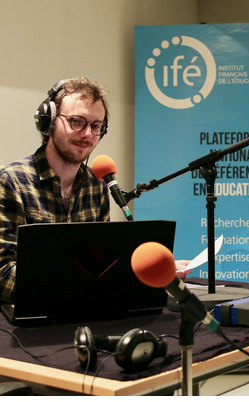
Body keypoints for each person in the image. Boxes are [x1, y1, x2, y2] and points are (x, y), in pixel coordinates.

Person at [0, 77, 189, 305]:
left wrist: (148, 270)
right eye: (76, 121)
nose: (87, 134)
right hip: (31, 319)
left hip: (85, 312)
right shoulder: (12, 182)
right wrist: (75, 281)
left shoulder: (97, 186)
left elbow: (101, 264)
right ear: (49, 122)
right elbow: (4, 274)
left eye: (96, 126)